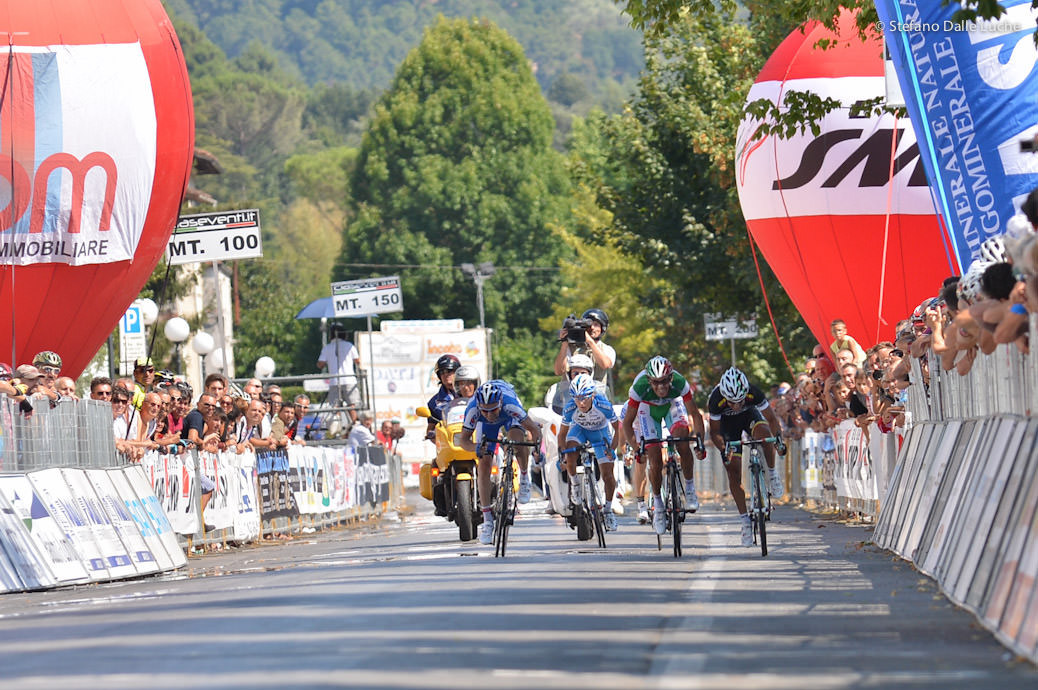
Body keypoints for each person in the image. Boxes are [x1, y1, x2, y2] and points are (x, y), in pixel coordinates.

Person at [620, 356, 707, 536]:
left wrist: (700, 442)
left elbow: (695, 415)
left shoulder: (680, 383)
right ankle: (658, 505)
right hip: (647, 410)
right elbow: (627, 423)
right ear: (649, 380)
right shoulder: (639, 387)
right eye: (656, 383)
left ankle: (690, 489)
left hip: (672, 405)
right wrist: (637, 449)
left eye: (665, 382)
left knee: (682, 438)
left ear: (671, 379)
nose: (661, 387)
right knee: (654, 456)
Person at [707, 367, 787, 547]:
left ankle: (772, 475)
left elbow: (772, 420)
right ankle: (744, 521)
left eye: (739, 401)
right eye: (731, 402)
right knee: (733, 472)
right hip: (727, 428)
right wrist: (723, 449)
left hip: (749, 417)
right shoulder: (716, 399)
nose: (736, 405)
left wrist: (778, 441)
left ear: (745, 393)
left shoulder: (753, 392)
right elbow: (714, 432)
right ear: (724, 396)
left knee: (765, 435)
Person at [458, 380, 542, 545]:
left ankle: (524, 477)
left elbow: (534, 429)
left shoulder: (510, 404)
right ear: (480, 406)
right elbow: (463, 441)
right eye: (485, 411)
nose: (489, 415)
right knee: (484, 463)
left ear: (500, 402)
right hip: (486, 427)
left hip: (509, 418)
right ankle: (488, 520)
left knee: (517, 440)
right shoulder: (473, 409)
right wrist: (476, 448)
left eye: (493, 409)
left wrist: (537, 448)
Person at [557, 374, 620, 531]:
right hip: (580, 431)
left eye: (585, 397)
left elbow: (619, 429)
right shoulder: (570, 407)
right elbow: (562, 434)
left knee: (608, 475)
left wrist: (612, 448)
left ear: (592, 394)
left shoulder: (603, 405)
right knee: (570, 452)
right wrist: (562, 454)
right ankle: (575, 485)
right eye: (577, 398)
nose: (581, 402)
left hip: (600, 433)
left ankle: (608, 509)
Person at [317, 323, 361, 425]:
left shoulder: (327, 348)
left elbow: (320, 364)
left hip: (334, 381)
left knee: (335, 408)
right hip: (349, 380)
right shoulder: (349, 346)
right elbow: (358, 361)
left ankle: (337, 428)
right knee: (352, 406)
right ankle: (355, 426)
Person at [425, 354, 461, 439]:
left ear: (457, 372)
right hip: (448, 446)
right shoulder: (433, 402)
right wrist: (432, 435)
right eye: (442, 372)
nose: (445, 375)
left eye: (449, 371)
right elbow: (431, 429)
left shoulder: (470, 394)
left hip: (471, 442)